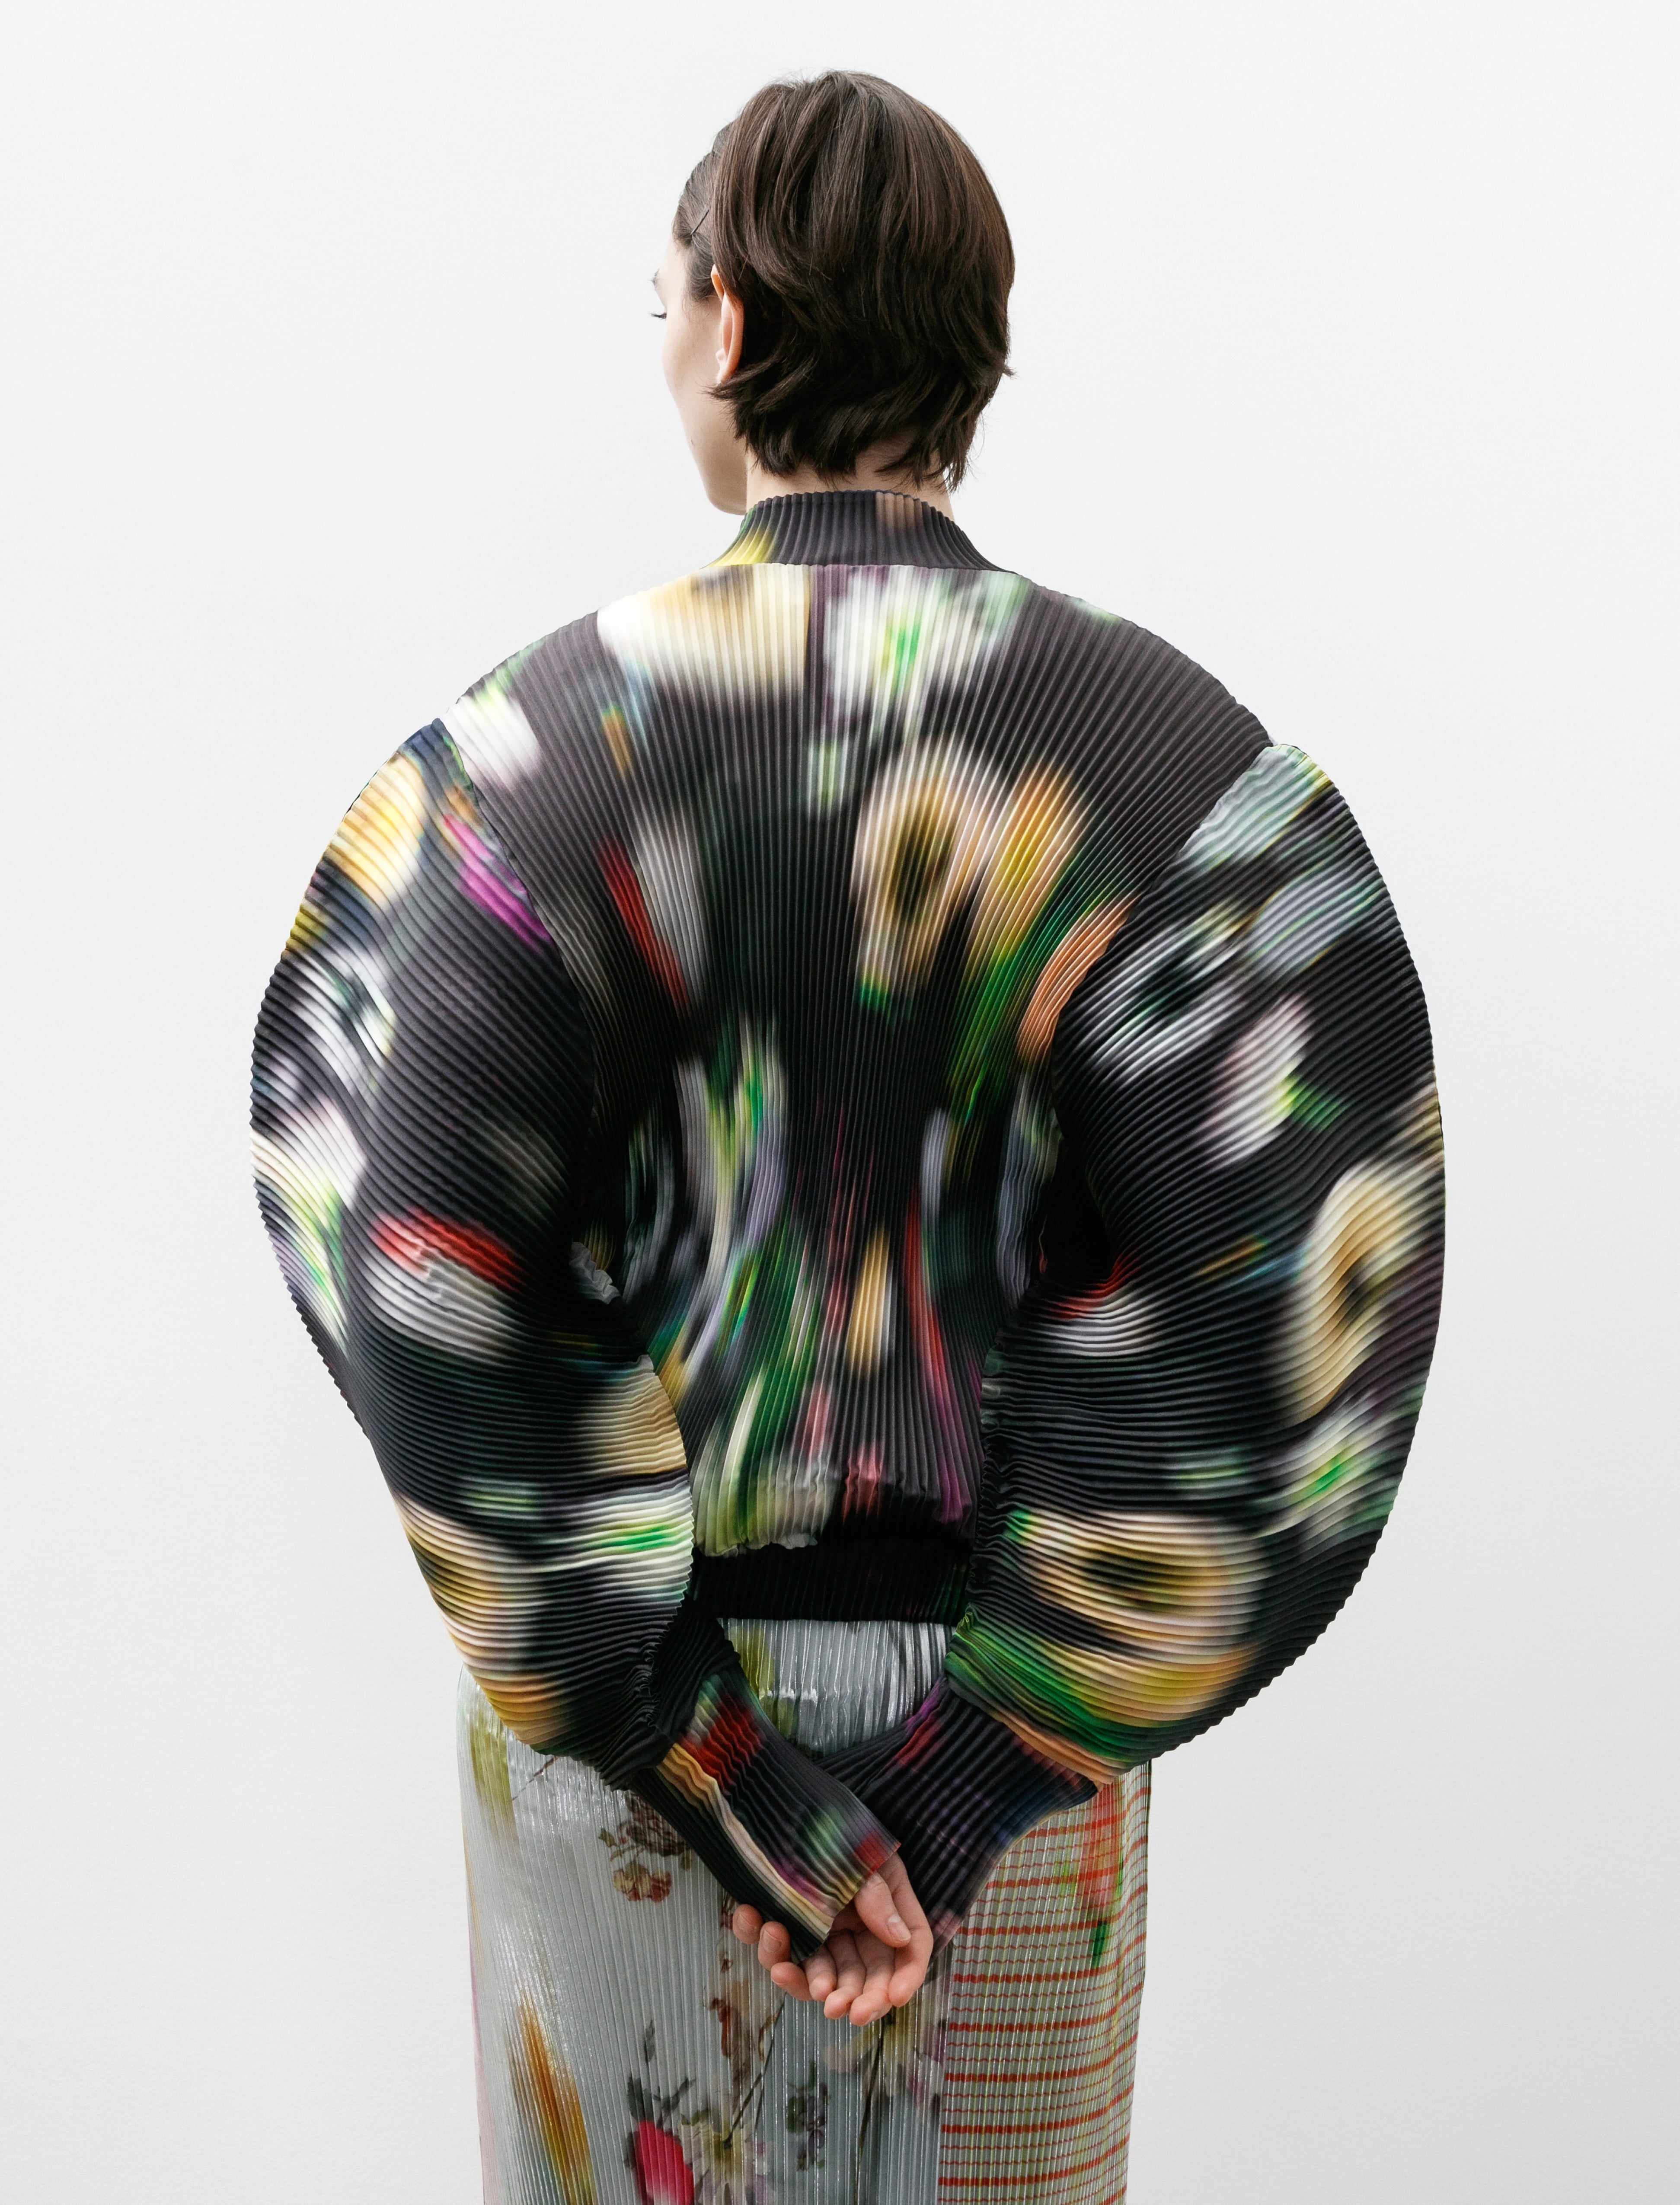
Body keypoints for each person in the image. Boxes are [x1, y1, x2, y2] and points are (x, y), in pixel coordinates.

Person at [252, 69, 1444, 2205]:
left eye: (666, 306)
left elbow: (404, 1233)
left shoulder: (532, 768)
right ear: (976, 351)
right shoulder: (1155, 762)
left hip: (629, 1721)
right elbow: (1294, 1314)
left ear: (725, 322)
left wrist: (701, 1743)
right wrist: (972, 1771)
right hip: (1020, 1716)